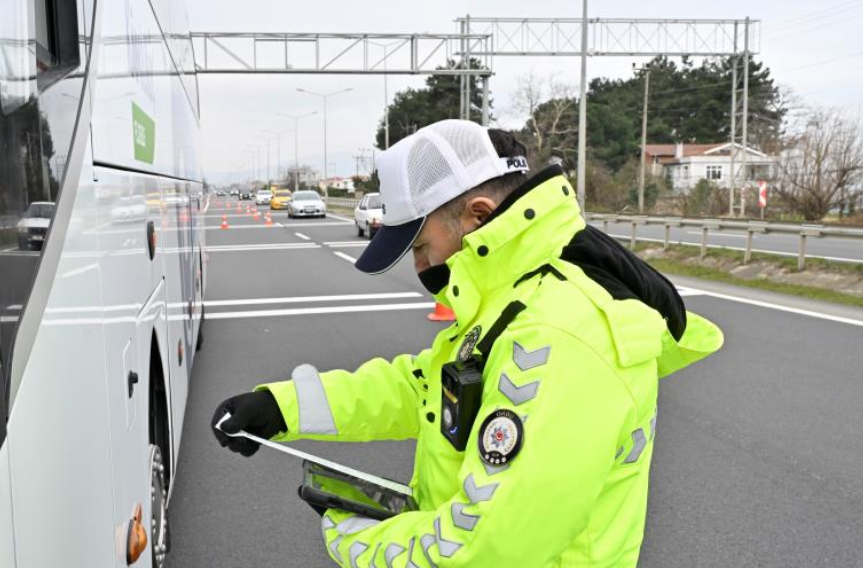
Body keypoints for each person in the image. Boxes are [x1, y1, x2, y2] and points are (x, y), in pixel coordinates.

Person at [212, 120, 723, 567]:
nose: (419, 268)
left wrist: (359, 540)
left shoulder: (559, 331)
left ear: (477, 216)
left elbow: (488, 550)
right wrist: (281, 408)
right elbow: (422, 388)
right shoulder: (513, 299)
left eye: (420, 246)